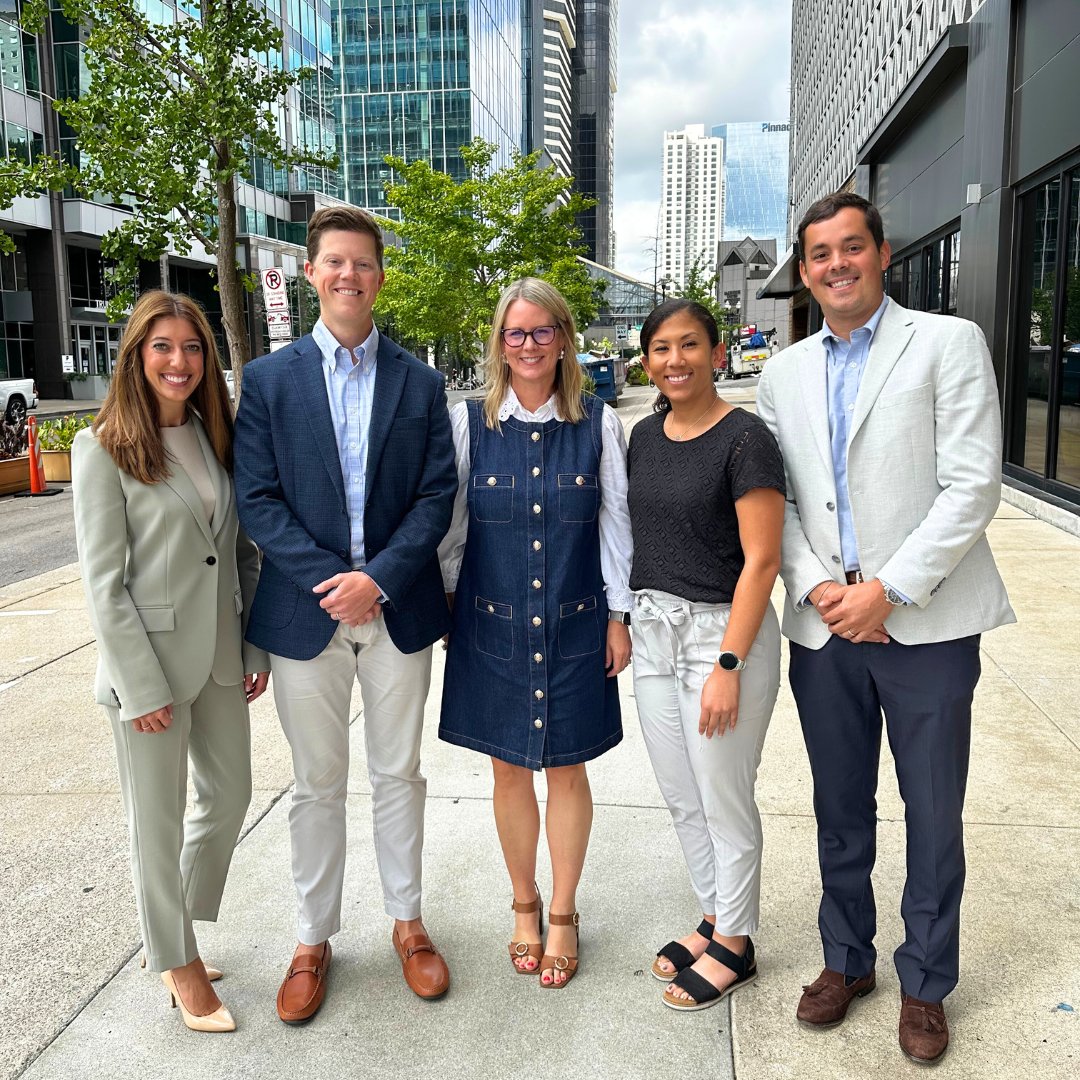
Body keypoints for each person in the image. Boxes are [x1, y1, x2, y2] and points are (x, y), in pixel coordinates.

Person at [756, 192, 1015, 1064]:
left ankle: (926, 982)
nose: (836, 265)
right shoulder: (782, 373)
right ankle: (845, 960)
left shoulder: (946, 344)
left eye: (851, 248)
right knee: (839, 808)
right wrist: (822, 589)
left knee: (933, 812)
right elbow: (781, 501)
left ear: (882, 253)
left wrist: (890, 590)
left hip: (928, 625)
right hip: (826, 630)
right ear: (805, 269)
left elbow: (973, 486)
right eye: (820, 254)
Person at [233, 206, 457, 1021]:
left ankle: (408, 923)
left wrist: (380, 579)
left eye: (362, 263)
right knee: (316, 785)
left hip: (396, 612)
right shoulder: (266, 381)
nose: (348, 276)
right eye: (333, 262)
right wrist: (336, 580)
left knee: (399, 774)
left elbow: (438, 495)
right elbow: (256, 499)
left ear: (379, 277)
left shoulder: (422, 383)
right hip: (305, 616)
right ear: (310, 273)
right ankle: (311, 938)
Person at [72, 290, 270, 1032]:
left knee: (229, 798)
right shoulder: (101, 449)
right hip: (147, 671)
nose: (179, 361)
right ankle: (179, 964)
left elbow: (242, 555)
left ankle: (173, 929)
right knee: (153, 824)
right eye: (163, 347)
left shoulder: (216, 439)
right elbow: (104, 583)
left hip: (221, 657)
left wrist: (253, 645)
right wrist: (137, 686)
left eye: (192, 348)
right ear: (136, 356)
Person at [438, 277, 632, 989]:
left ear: (564, 339)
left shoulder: (600, 424)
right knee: (509, 768)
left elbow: (615, 525)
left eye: (541, 331)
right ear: (499, 342)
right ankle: (524, 904)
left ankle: (564, 914)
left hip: (579, 623)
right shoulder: (468, 424)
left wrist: (618, 616)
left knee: (569, 767)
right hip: (491, 626)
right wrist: (451, 610)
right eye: (514, 333)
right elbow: (452, 531)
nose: (527, 345)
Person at [626, 299, 785, 1012]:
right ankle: (715, 915)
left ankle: (739, 943)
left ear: (716, 352)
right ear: (646, 358)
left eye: (689, 345)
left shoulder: (747, 439)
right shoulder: (643, 435)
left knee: (724, 797)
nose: (675, 360)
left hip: (722, 638)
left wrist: (728, 664)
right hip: (655, 633)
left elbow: (763, 561)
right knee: (682, 795)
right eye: (661, 348)